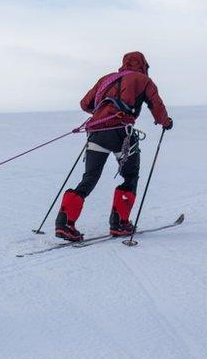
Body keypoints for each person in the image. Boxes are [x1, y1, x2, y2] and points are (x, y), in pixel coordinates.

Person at [55, 51, 173, 241]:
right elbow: (156, 106)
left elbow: (85, 104)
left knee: (90, 177)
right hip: (121, 134)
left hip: (97, 132)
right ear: (143, 65)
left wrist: (103, 111)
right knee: (131, 175)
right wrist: (165, 122)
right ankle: (120, 223)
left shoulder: (107, 78)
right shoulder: (143, 80)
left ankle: (64, 223)